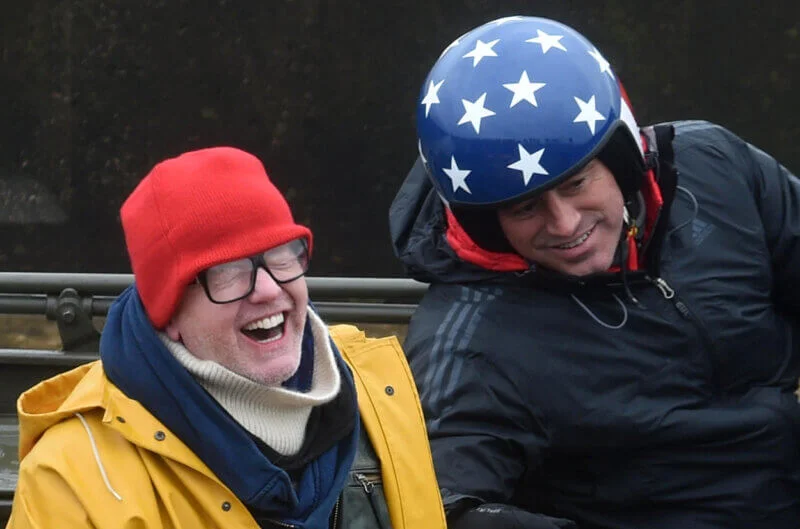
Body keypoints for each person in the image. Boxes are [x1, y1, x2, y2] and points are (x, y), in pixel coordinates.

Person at [389, 15, 800, 529]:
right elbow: (442, 505)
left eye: (578, 183)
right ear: (487, 223)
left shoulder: (714, 168)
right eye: (524, 209)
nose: (564, 224)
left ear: (623, 159)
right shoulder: (468, 344)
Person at [8, 146, 446, 529]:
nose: (270, 288)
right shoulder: (72, 479)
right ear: (168, 311)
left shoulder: (381, 392)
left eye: (281, 255)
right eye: (229, 273)